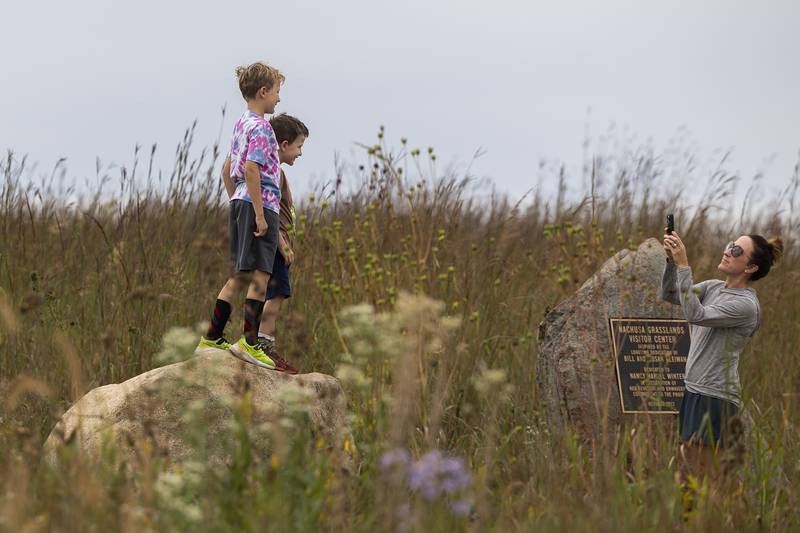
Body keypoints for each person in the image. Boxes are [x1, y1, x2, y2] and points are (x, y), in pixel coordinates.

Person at [660, 229, 783, 466]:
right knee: (690, 472)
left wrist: (684, 263)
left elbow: (695, 314)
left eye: (736, 250)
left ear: (750, 268)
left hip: (714, 398)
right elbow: (671, 294)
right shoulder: (713, 288)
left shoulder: (745, 306)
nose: (727, 251)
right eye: (730, 244)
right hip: (694, 391)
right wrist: (671, 262)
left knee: (703, 475)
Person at [196, 62, 284, 369]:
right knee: (261, 272)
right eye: (276, 92)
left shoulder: (240, 124)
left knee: (240, 272)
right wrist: (259, 214)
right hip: (262, 204)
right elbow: (251, 168)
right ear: (263, 92)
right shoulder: (261, 128)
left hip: (239, 201)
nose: (278, 99)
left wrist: (238, 199)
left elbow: (227, 169)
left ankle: (212, 335)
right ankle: (249, 342)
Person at [255, 113, 308, 374]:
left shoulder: (274, 171)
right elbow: (270, 211)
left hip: (275, 242)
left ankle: (261, 343)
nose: (300, 153)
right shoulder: (274, 173)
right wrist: (283, 245)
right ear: (284, 145)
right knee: (275, 296)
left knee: (270, 295)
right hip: (276, 244)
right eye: (299, 146)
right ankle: (263, 346)